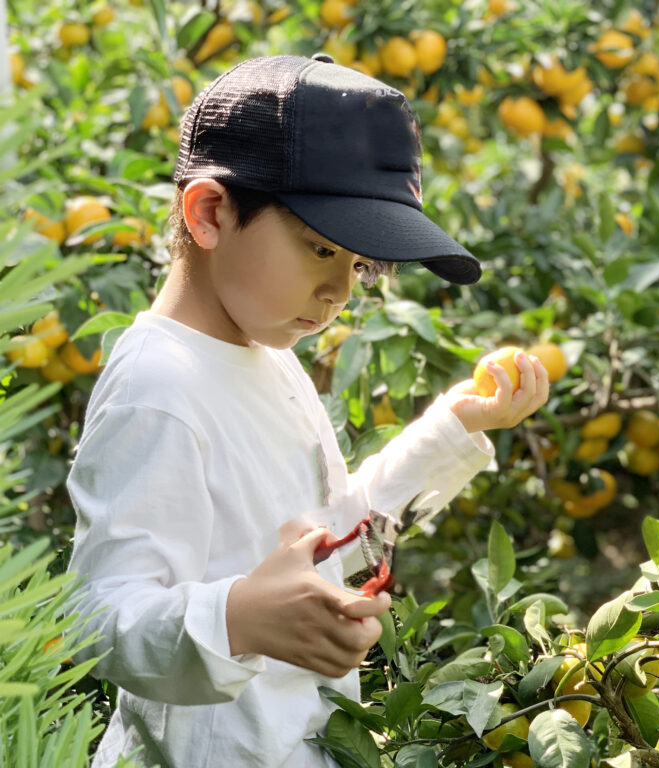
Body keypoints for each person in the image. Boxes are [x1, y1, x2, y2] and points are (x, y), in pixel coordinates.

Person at [66, 53, 550, 768]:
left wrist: (453, 429)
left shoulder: (268, 356)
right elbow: (99, 617)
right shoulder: (160, 386)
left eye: (358, 264)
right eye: (320, 248)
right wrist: (235, 621)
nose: (340, 291)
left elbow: (326, 536)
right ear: (209, 213)